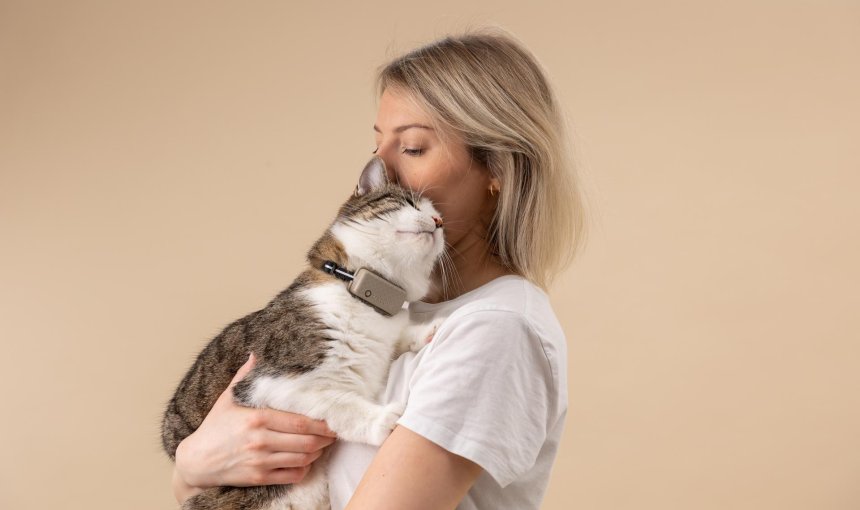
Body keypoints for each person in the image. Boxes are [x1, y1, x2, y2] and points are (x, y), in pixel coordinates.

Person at [172, 27, 589, 509]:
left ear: (498, 166)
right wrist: (192, 464)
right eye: (376, 147)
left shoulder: (496, 328)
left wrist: (191, 471)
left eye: (412, 147)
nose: (383, 170)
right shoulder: (388, 311)